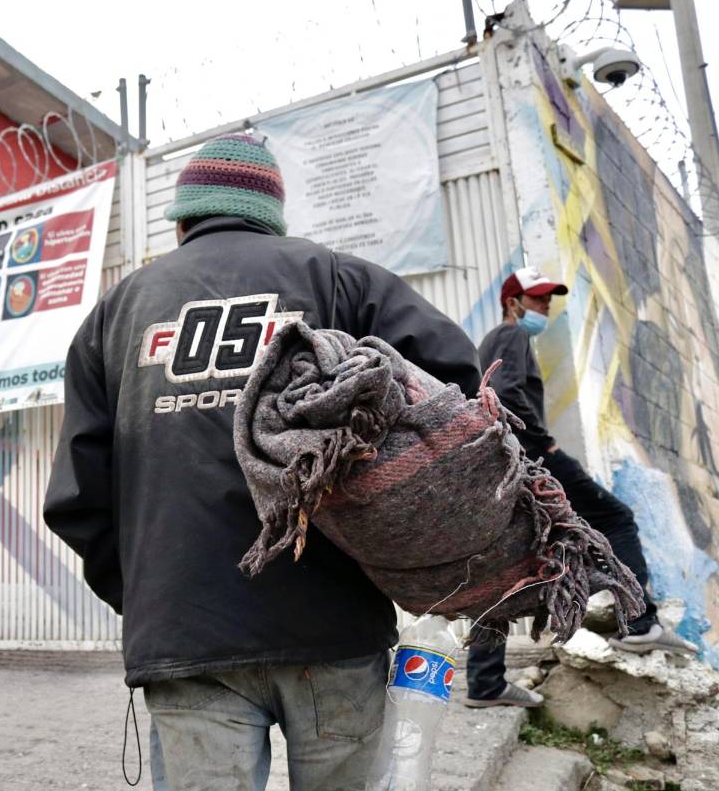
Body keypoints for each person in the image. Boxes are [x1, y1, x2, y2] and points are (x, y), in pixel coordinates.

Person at [43, 133, 483, 791]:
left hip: (186, 635)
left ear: (184, 219)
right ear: (270, 217)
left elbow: (77, 498)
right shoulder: (337, 278)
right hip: (334, 623)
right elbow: (456, 391)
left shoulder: (116, 312)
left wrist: (152, 596)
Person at [465, 266, 699, 710]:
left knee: (501, 568)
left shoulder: (496, 341)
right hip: (531, 458)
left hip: (505, 464)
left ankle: (485, 681)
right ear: (513, 302)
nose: (545, 305)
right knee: (615, 518)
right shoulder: (510, 335)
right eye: (537, 298)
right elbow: (504, 394)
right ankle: (639, 623)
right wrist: (545, 444)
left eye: (548, 299)